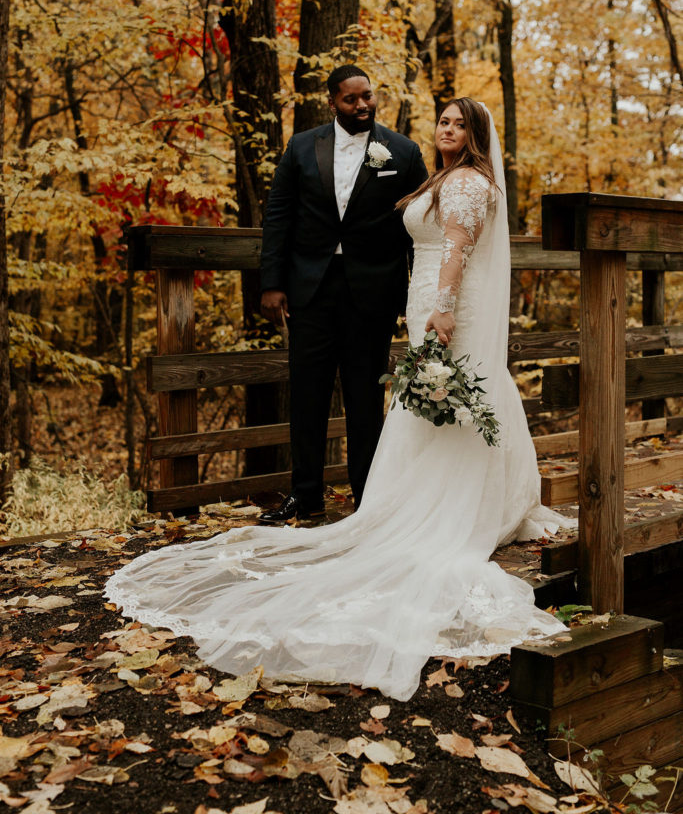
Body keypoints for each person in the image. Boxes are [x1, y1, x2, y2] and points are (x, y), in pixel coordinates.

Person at [105, 98, 570, 702]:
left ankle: (464, 500)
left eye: (457, 124)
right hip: (425, 296)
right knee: (436, 398)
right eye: (443, 121)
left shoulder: (469, 184)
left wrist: (444, 308)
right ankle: (428, 493)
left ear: (476, 134)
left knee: (456, 393)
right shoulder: (439, 176)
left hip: (448, 303)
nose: (445, 129)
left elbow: (455, 248)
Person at [258, 64, 428, 522]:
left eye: (368, 96)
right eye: (352, 99)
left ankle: (367, 497)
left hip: (371, 292)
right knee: (307, 394)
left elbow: (419, 227)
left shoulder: (403, 151)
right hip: (310, 289)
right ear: (331, 101)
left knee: (364, 399)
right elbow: (279, 216)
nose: (363, 106)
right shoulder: (300, 147)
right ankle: (305, 494)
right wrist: (272, 283)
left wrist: (418, 297)